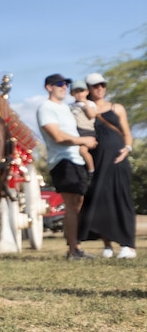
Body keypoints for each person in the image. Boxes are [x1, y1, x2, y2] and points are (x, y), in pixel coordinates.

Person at [37, 73, 98, 260]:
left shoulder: (65, 108)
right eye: (60, 84)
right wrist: (84, 140)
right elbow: (57, 136)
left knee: (78, 204)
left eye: (66, 84)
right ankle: (73, 250)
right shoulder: (45, 108)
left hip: (77, 160)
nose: (64, 87)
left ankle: (75, 247)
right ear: (49, 87)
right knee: (71, 204)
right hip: (62, 160)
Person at [77, 73, 137, 260]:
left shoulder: (116, 107)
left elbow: (127, 133)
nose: (100, 89)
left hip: (117, 161)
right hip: (97, 162)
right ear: (89, 89)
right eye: (95, 86)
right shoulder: (84, 109)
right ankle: (107, 245)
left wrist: (126, 149)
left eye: (102, 85)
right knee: (101, 202)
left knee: (122, 200)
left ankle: (128, 245)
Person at [68, 80, 97, 175]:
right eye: (76, 91)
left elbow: (92, 115)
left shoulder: (90, 104)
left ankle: (91, 170)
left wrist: (85, 104)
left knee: (83, 150)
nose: (79, 94)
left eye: (81, 91)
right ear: (72, 94)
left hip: (88, 131)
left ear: (87, 92)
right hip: (76, 132)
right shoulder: (70, 106)